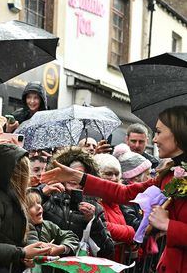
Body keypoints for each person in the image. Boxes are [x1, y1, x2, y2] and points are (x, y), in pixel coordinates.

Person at [41, 105, 187, 273]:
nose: (154, 140)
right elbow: (123, 193)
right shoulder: (169, 174)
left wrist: (169, 225)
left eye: (159, 132)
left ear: (177, 132)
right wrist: (78, 177)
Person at [0, 143, 51, 272]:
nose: (27, 176)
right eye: (23, 171)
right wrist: (21, 253)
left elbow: (28, 228)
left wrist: (32, 248)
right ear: (13, 175)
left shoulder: (15, 197)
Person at [43, 147, 115, 259]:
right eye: (68, 172)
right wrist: (43, 195)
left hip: (75, 266)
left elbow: (108, 250)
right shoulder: (48, 197)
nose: (72, 178)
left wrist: (93, 220)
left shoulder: (95, 207)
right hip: (46, 262)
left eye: (78, 174)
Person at [93, 153, 136, 262]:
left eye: (117, 174)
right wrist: (130, 232)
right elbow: (102, 226)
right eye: (108, 174)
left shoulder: (116, 200)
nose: (114, 178)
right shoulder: (94, 199)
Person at [26, 191, 79, 257]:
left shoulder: (48, 225)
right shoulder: (16, 232)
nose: (39, 207)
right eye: (31, 206)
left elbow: (71, 236)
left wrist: (62, 248)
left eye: (39, 203)